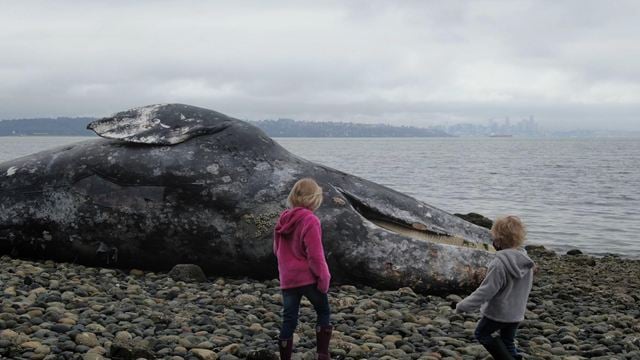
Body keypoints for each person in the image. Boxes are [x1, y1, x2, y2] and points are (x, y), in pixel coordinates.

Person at [456, 216, 535, 360]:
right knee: (507, 341)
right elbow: (527, 287)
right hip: (516, 312)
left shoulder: (499, 264)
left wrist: (464, 305)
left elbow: (486, 290)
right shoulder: (526, 262)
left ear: (497, 240)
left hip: (499, 313)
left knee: (482, 334)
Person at [273, 178, 332, 360]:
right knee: (323, 311)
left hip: (288, 279)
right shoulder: (310, 220)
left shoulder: (283, 219)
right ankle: (322, 354)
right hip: (308, 279)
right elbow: (315, 255)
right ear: (314, 199)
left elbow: (276, 250)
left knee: (289, 319)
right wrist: (324, 278)